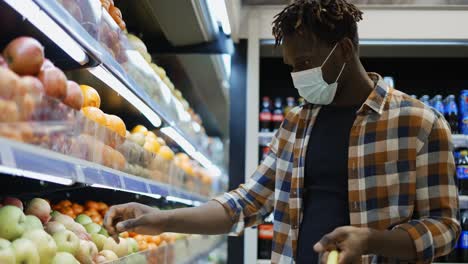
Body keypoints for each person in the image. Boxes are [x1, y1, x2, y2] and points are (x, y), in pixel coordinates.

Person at [104, 0, 460, 263]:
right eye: (292, 67)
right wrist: (157, 218)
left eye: (305, 63)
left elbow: (445, 227)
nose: (298, 76)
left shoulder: (419, 123)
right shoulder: (295, 124)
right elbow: (244, 205)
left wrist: (372, 241)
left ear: (345, 51)